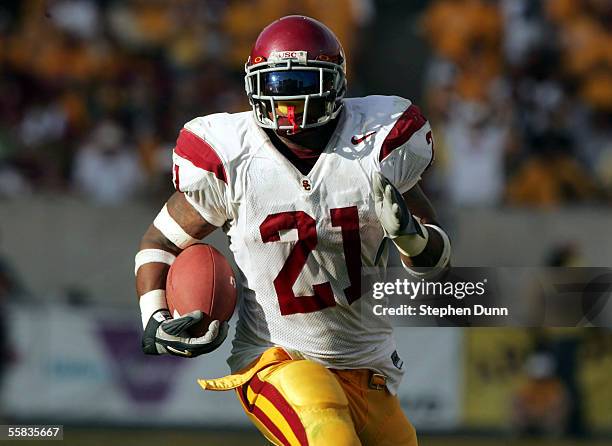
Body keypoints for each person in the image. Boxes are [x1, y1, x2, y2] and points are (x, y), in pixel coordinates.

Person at [135, 15, 451, 446]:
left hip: (365, 362)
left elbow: (434, 259)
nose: (288, 98)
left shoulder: (378, 142)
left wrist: (412, 238)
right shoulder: (230, 155)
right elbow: (160, 242)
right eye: (277, 82)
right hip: (274, 357)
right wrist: (154, 318)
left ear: (336, 84)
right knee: (330, 436)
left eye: (302, 81)